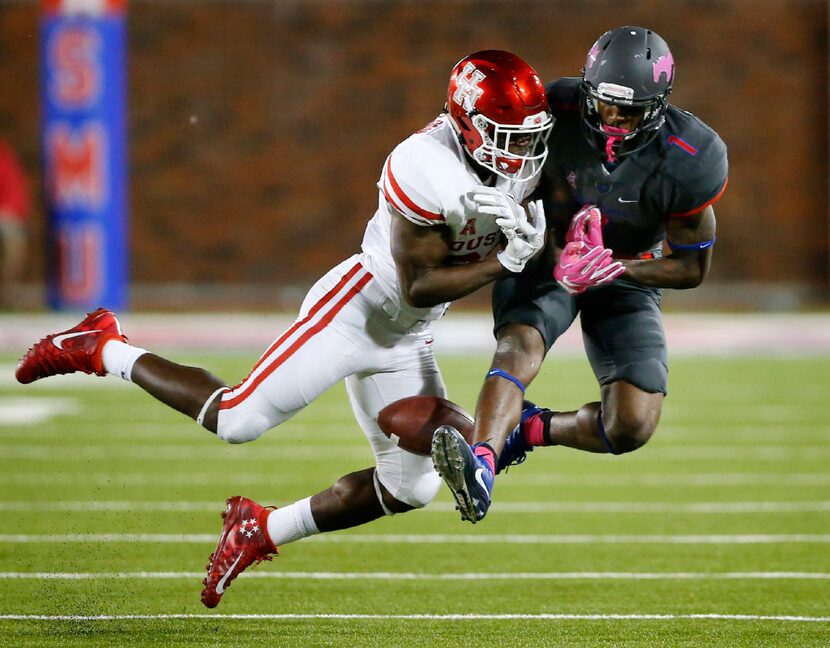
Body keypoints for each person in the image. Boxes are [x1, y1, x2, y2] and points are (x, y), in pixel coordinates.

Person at [15, 50, 552, 605]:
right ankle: (102, 347)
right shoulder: (423, 165)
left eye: (529, 135)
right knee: (237, 418)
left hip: (408, 335)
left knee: (410, 487)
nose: (522, 150)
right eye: (507, 135)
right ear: (466, 123)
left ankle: (260, 529)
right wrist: (506, 263)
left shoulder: (521, 166)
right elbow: (416, 285)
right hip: (357, 309)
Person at [431, 26, 728, 523]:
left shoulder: (691, 155)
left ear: (659, 105)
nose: (615, 116)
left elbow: (692, 267)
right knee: (518, 345)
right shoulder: (553, 110)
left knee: (631, 426)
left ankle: (524, 431)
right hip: (546, 258)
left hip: (624, 277)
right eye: (606, 103)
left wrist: (613, 267)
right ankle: (482, 463)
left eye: (631, 109)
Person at [0, 138, 31, 309]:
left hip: (4, 216)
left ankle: (6, 295)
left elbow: (14, 196)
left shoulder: (2, 155)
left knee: (11, 233)